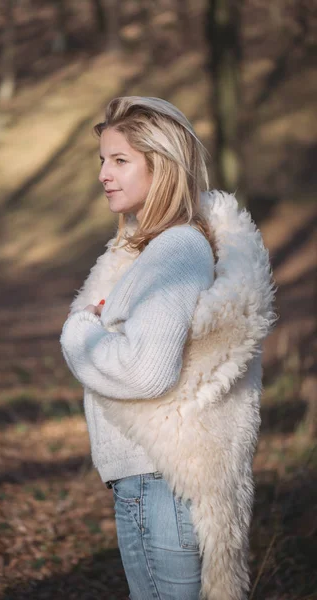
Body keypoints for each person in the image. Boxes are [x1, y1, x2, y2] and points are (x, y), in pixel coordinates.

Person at [60, 96, 277, 600]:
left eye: (119, 160)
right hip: (159, 483)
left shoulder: (175, 251)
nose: (103, 175)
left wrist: (78, 331)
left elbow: (146, 371)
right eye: (101, 161)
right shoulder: (162, 248)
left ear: (161, 167)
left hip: (158, 483)